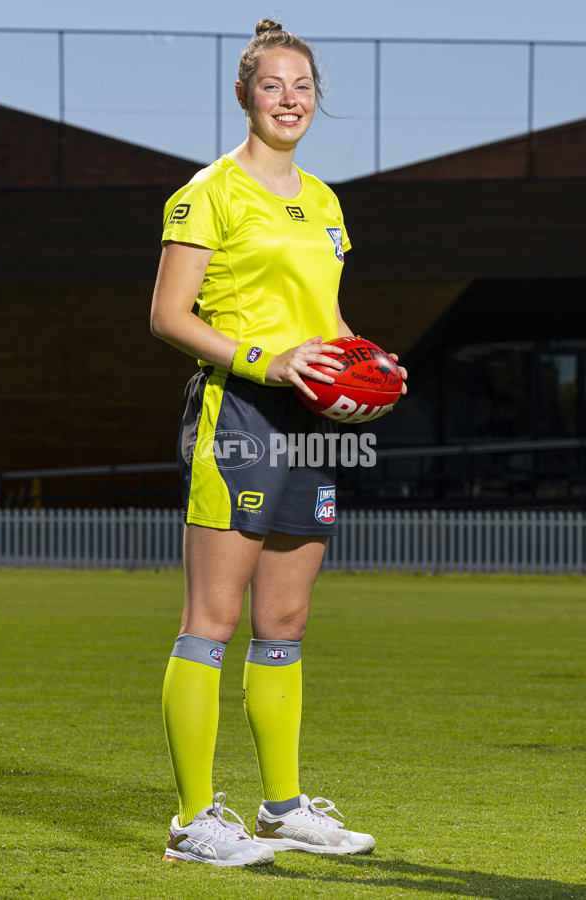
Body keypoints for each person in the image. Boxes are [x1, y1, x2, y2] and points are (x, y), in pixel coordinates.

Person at [151, 19, 407, 867]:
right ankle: (195, 822)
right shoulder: (207, 193)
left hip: (310, 426)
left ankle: (283, 809)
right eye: (274, 85)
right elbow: (168, 317)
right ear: (244, 95)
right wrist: (272, 359)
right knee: (211, 621)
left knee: (285, 621)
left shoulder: (326, 201)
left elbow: (326, 323)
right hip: (242, 416)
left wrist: (362, 369)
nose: (290, 100)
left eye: (303, 87)